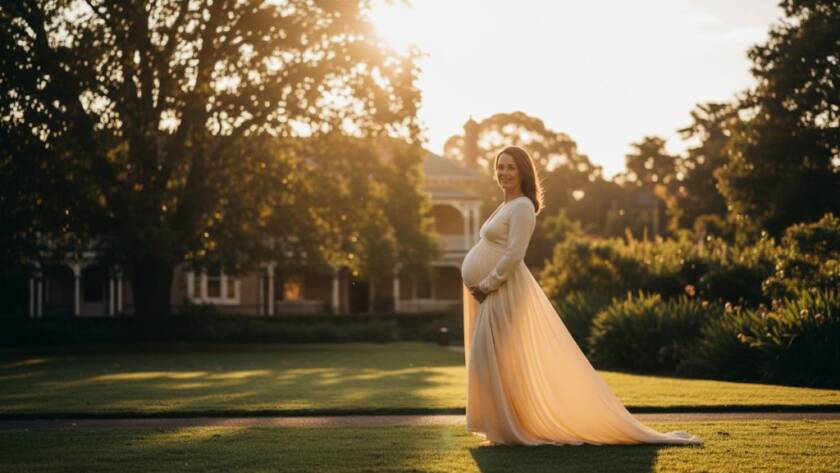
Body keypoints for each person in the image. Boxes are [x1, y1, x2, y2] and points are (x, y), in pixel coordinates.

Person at [460, 145, 702, 447]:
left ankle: (511, 429)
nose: (504, 173)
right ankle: (502, 428)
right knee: (491, 361)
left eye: (510, 167)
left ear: (523, 171)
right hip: (492, 290)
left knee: (491, 360)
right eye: (500, 167)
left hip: (503, 290)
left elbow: (514, 254)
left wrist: (487, 283)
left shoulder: (522, 206)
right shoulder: (506, 205)